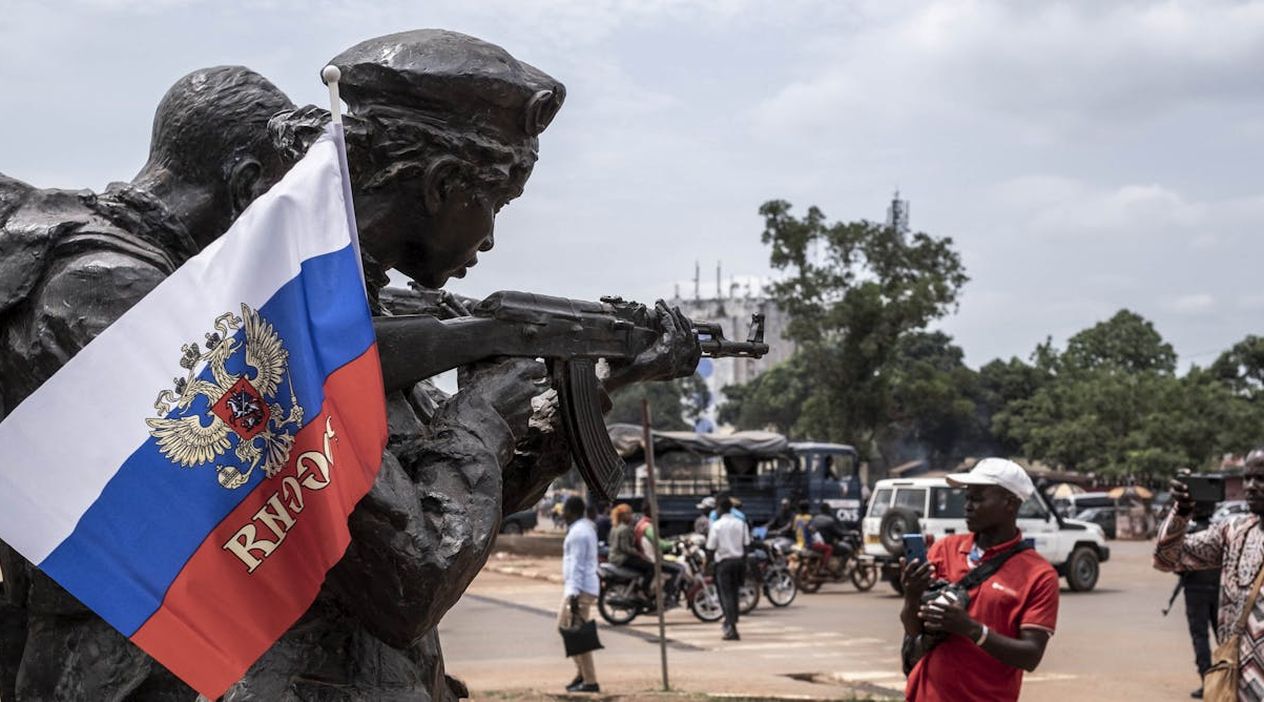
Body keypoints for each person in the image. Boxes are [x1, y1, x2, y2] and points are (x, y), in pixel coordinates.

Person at [0, 65, 296, 700]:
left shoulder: (106, 258)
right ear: (246, 184)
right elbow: (232, 437)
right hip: (102, 645)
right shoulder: (115, 282)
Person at [901, 458, 1059, 702]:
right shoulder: (943, 550)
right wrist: (911, 596)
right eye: (967, 498)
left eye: (978, 498)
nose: (968, 506)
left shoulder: (1039, 575)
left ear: (1009, 504)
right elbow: (914, 630)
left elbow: (1030, 656)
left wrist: (971, 628)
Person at [1154, 449, 1264, 701]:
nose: (1251, 486)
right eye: (1247, 478)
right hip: (1236, 684)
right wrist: (1180, 512)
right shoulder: (1234, 532)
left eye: (1261, 479)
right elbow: (1166, 557)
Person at [1179, 501, 1222, 699]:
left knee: (1200, 638)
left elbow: (1176, 565)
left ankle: (1208, 682)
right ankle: (1225, 680)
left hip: (1196, 591)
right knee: (1224, 639)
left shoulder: (1191, 535)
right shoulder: (1220, 533)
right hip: (1218, 590)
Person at [559, 496, 600, 693]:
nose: (562, 514)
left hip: (579, 590)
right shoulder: (584, 528)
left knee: (578, 635)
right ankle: (582, 673)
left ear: (572, 511)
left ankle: (590, 681)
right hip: (576, 588)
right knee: (565, 628)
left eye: (565, 510)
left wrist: (573, 595)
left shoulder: (579, 533)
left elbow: (577, 565)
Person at [707, 495, 750, 640]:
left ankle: (731, 627)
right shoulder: (741, 523)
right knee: (734, 594)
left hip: (724, 563)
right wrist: (744, 563)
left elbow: (711, 548)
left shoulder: (717, 525)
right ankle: (732, 623)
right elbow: (747, 545)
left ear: (720, 508)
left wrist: (708, 564)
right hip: (738, 562)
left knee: (726, 596)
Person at [634, 503, 684, 600]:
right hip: (651, 559)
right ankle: (666, 597)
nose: (657, 512)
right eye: (655, 510)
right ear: (649, 511)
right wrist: (672, 544)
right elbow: (660, 545)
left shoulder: (642, 523)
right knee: (679, 569)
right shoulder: (647, 526)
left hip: (647, 556)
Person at [609, 503, 656, 595]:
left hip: (614, 557)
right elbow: (625, 548)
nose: (631, 516)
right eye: (629, 513)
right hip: (622, 558)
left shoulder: (615, 527)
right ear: (623, 515)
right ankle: (644, 590)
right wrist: (639, 554)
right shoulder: (625, 529)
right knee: (651, 567)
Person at [793, 500, 832, 576]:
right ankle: (823, 568)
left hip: (799, 542)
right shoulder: (809, 518)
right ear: (808, 508)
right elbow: (813, 531)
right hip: (807, 542)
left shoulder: (797, 518)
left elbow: (794, 530)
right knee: (829, 548)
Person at [811, 503, 854, 568]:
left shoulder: (815, 519)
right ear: (828, 509)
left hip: (817, 544)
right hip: (828, 544)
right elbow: (837, 532)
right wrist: (848, 533)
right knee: (848, 549)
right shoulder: (830, 520)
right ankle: (840, 569)